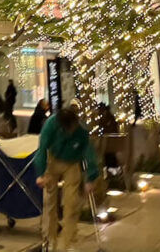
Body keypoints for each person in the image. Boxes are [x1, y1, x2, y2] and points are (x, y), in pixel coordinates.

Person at [35, 104, 100, 252]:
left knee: (72, 203)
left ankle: (69, 242)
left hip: (72, 163)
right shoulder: (51, 125)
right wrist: (40, 174)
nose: (71, 131)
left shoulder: (82, 131)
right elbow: (42, 148)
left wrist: (90, 178)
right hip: (53, 159)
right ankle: (50, 240)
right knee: (49, 201)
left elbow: (89, 154)